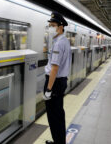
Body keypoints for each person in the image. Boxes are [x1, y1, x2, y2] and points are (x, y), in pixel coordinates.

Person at [43, 12, 71, 144]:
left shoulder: (59, 43)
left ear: (60, 27)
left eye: (53, 25)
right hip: (60, 82)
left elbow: (54, 68)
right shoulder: (64, 41)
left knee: (54, 116)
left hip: (54, 83)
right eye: (49, 25)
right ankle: (59, 141)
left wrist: (48, 89)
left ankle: (58, 142)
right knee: (58, 114)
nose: (50, 28)